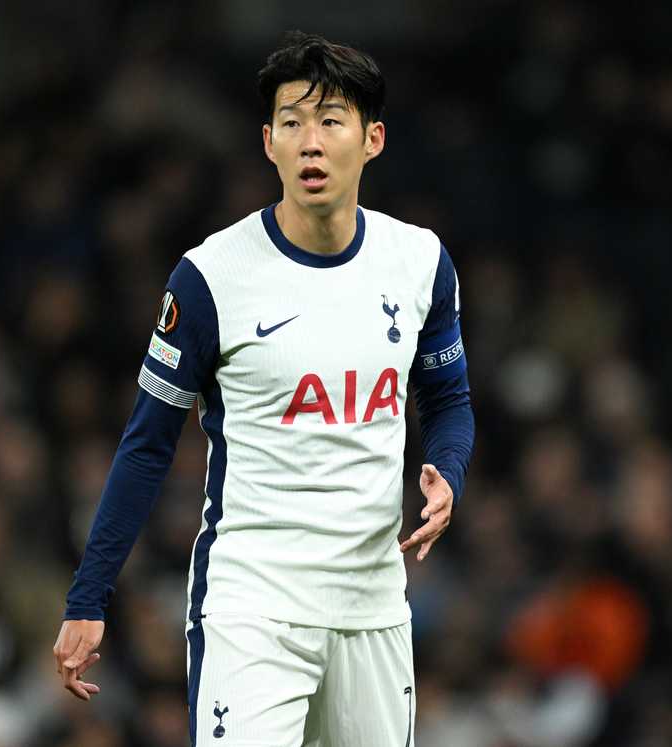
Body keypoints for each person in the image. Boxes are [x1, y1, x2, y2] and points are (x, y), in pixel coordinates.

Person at [53, 31, 474, 746]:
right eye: (291, 123)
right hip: (252, 607)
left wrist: (449, 476)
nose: (311, 142)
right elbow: (147, 444)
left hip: (373, 605)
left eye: (330, 121)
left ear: (372, 140)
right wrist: (89, 595)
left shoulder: (420, 262)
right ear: (267, 143)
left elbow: (450, 400)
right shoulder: (211, 277)